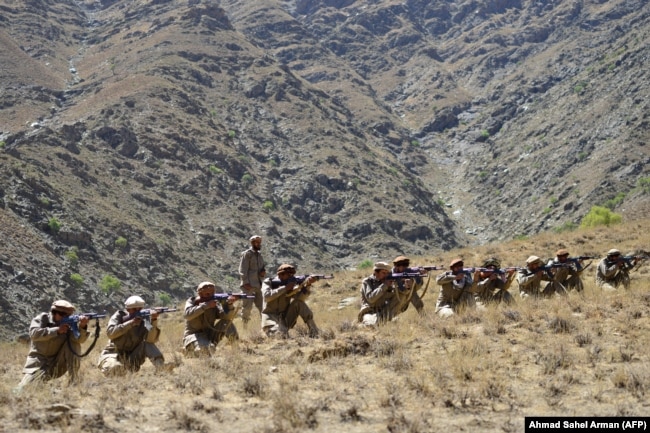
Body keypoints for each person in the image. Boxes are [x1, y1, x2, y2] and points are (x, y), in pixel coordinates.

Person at [17, 300, 89, 390]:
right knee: (25, 388)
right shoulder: (42, 319)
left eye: (69, 315)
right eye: (65, 315)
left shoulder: (69, 323)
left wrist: (82, 326)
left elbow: (80, 340)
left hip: (57, 364)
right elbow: (34, 334)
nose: (68, 317)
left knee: (73, 343)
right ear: (56, 313)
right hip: (39, 363)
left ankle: (74, 380)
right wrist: (57, 331)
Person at [98, 296, 170, 376]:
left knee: (146, 344)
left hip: (132, 358)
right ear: (128, 309)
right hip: (112, 355)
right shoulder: (119, 316)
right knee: (115, 368)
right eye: (134, 309)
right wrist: (131, 323)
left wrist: (154, 320)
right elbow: (110, 333)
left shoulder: (145, 320)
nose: (138, 311)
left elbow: (151, 340)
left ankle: (161, 367)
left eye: (140, 309)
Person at [261, 264, 319, 338]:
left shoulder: (290, 284)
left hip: (284, 318)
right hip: (270, 319)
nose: (291, 276)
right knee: (280, 335)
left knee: (298, 303)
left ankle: (314, 331)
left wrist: (307, 285)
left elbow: (300, 299)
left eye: (292, 274)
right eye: (288, 274)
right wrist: (285, 288)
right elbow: (267, 297)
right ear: (281, 275)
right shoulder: (268, 282)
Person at [182, 281, 239, 357]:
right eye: (207, 294)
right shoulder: (192, 301)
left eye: (212, 293)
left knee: (226, 322)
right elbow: (187, 315)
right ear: (200, 294)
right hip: (193, 336)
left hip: (209, 335)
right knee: (208, 350)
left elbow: (226, 317)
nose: (210, 295)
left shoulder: (214, 303)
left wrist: (229, 305)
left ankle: (236, 349)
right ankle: (189, 352)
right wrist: (205, 306)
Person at [238, 235, 266, 325]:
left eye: (259, 242)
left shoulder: (260, 255)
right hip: (248, 286)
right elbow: (242, 269)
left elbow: (262, 268)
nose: (258, 244)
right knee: (247, 308)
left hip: (258, 285)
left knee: (263, 307)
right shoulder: (247, 254)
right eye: (256, 242)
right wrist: (245, 282)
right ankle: (244, 327)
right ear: (252, 243)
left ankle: (265, 326)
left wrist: (263, 272)